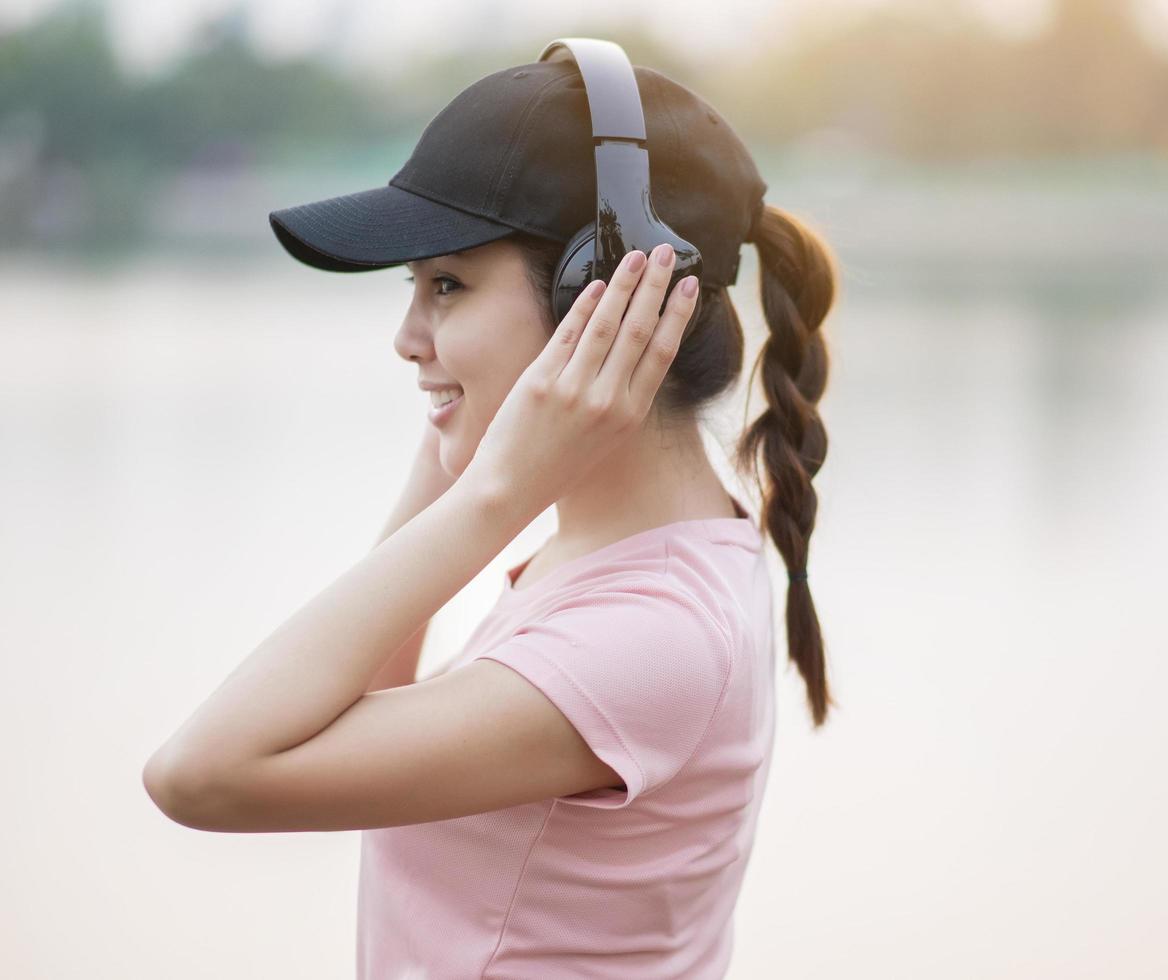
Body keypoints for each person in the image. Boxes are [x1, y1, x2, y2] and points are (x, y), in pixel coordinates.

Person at [141, 53, 838, 979]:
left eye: (448, 286)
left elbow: (198, 775)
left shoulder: (648, 635)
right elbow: (365, 704)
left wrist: (493, 493)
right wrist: (456, 455)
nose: (407, 340)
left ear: (600, 294)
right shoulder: (647, 550)